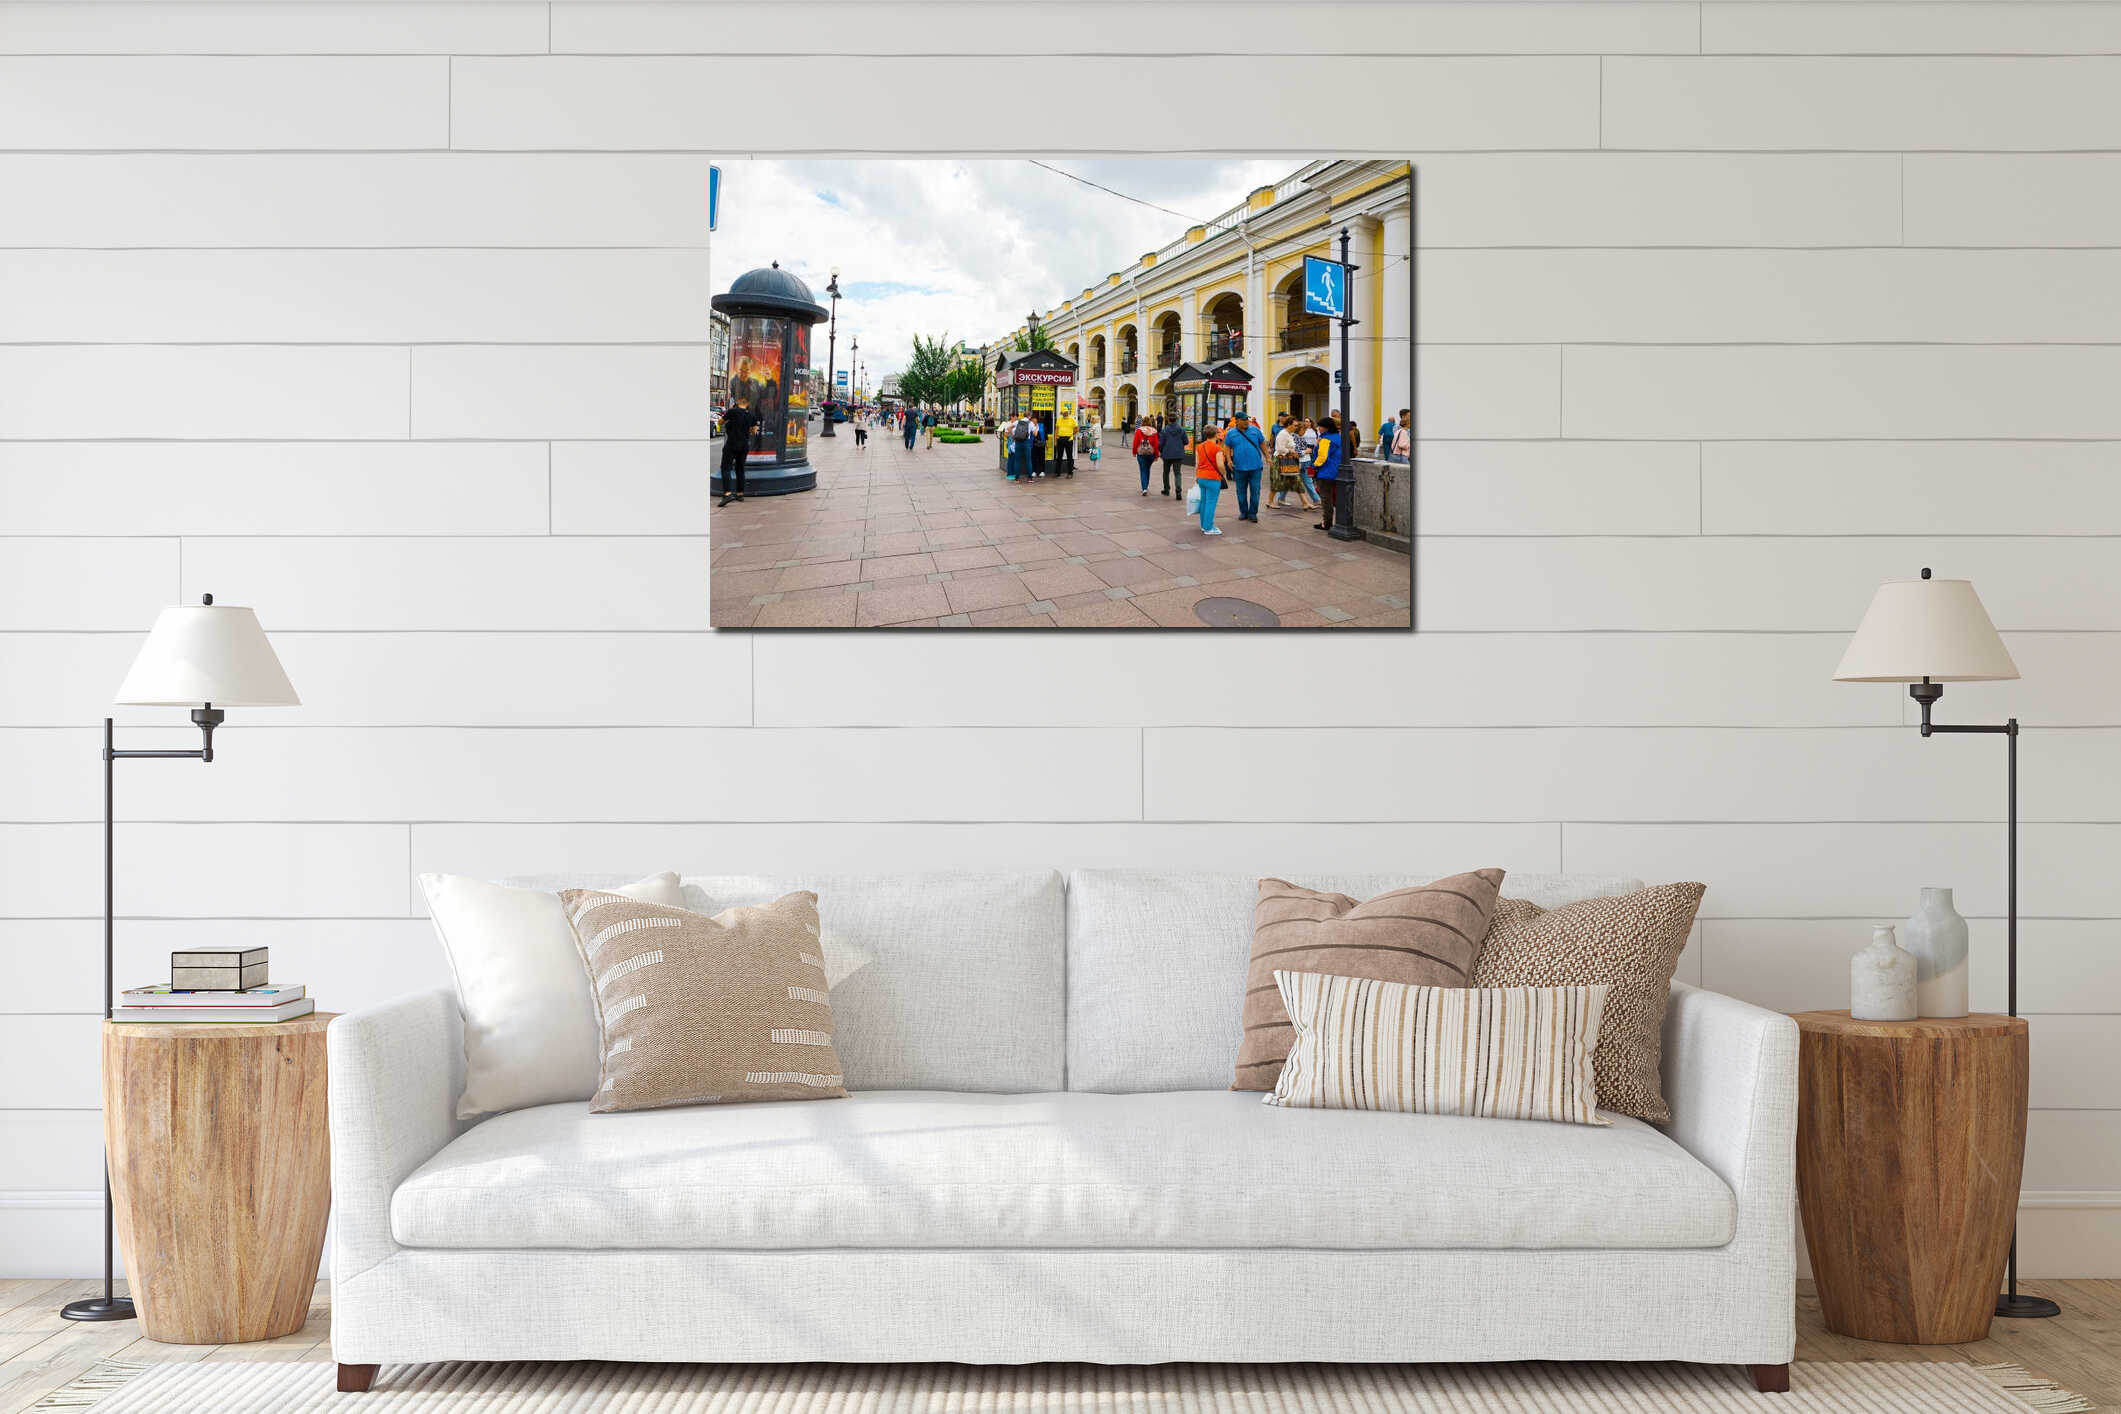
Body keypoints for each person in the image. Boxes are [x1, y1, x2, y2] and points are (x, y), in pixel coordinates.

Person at [1222, 412, 1266, 523]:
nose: (1247, 421)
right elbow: (1227, 447)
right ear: (1237, 421)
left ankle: (1253, 513)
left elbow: (1262, 444)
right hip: (1239, 467)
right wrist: (1228, 460)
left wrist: (1268, 457)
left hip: (1255, 467)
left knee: (1255, 491)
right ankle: (1243, 512)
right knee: (1241, 491)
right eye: (1244, 420)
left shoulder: (1255, 431)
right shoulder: (1231, 433)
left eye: (1247, 419)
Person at [716, 394, 756, 508]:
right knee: (740, 469)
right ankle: (740, 494)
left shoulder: (732, 412)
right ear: (747, 403)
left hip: (732, 444)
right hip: (744, 445)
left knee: (726, 468)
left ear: (737, 402)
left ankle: (727, 493)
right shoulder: (751, 415)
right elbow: (754, 431)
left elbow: (720, 422)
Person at [1191, 422, 1226, 535]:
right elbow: (1220, 465)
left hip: (1201, 476)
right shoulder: (1217, 448)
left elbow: (1197, 463)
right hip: (1213, 478)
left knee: (1204, 502)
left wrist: (1197, 476)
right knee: (1211, 502)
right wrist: (1223, 474)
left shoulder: (1199, 447)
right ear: (1215, 434)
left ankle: (1204, 525)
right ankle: (1208, 528)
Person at [1312, 415, 1343, 531]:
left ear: (1326, 428)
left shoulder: (1326, 440)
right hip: (1338, 471)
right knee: (1337, 498)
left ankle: (1327, 523)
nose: (1318, 428)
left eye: (1320, 426)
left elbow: (1322, 457)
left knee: (1326, 500)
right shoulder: (1338, 437)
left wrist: (1314, 466)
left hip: (1326, 472)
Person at [1157, 415, 1189, 499]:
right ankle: (1178, 491)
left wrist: (1161, 450)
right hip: (1178, 454)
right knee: (1177, 473)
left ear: (1168, 419)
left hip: (1167, 454)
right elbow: (1186, 441)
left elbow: (1160, 444)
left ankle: (1166, 489)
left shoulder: (1164, 430)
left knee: (1166, 472)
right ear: (1176, 419)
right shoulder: (1181, 430)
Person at [1130, 416, 1159, 496]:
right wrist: (1157, 455)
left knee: (1143, 470)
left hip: (1141, 453)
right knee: (1147, 469)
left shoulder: (1139, 431)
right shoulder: (1154, 431)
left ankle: (1144, 488)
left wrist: (1134, 452)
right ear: (1150, 422)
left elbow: (1135, 442)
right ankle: (1146, 486)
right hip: (1150, 454)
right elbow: (1156, 445)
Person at [1006, 411, 1037, 480]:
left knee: (1017, 460)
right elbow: (1035, 434)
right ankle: (1029, 478)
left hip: (1018, 442)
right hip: (1026, 442)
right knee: (1028, 460)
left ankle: (1017, 477)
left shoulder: (1018, 422)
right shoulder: (1031, 423)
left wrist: (1013, 436)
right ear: (1029, 416)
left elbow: (1008, 428)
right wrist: (1036, 427)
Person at [1052, 408, 1076, 477]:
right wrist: (1055, 440)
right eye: (1064, 412)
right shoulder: (1059, 420)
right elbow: (1056, 430)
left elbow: (1076, 428)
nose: (1065, 413)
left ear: (1068, 412)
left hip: (1069, 440)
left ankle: (1070, 473)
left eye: (1066, 412)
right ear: (1062, 413)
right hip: (1060, 439)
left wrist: (1071, 435)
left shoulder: (1072, 419)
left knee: (1069, 457)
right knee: (1059, 456)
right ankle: (1057, 472)